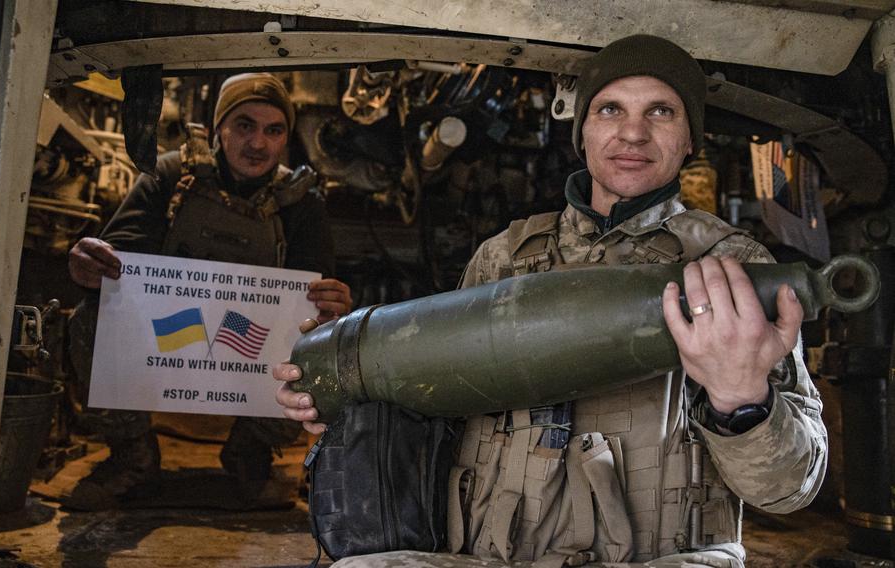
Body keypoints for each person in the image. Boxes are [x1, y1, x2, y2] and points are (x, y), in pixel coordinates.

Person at [275, 35, 826, 567]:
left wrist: (743, 403)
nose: (632, 133)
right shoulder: (502, 257)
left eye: (661, 112)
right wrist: (351, 394)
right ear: (581, 131)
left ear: (689, 139)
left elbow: (789, 490)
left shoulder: (732, 271)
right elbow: (430, 407)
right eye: (609, 110)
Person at [65, 73, 353, 510]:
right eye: (244, 125)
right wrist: (88, 265)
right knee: (91, 319)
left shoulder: (302, 202)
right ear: (218, 127)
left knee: (323, 347)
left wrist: (335, 307)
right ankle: (133, 457)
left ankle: (249, 452)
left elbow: (317, 299)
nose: (258, 143)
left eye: (274, 130)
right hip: (170, 336)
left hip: (247, 346)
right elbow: (115, 263)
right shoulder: (168, 175)